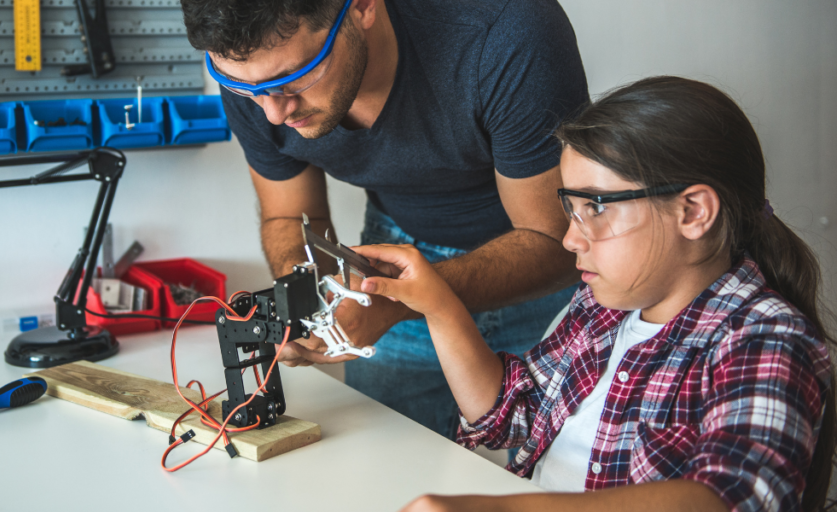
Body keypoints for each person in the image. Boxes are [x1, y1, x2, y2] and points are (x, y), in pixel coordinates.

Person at [353, 76, 835, 511]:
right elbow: (510, 413)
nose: (569, 239)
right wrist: (437, 302)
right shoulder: (602, 308)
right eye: (571, 207)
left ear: (693, 212)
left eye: (596, 208)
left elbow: (733, 497)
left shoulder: (765, 339)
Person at [181, 0, 588, 439]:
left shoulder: (509, 32)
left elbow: (556, 240)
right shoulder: (252, 69)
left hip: (539, 269)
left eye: (294, 78)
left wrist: (394, 302)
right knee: (383, 463)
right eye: (244, 88)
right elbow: (288, 214)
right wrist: (308, 302)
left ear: (361, 7)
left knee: (554, 470)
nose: (274, 112)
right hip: (390, 255)